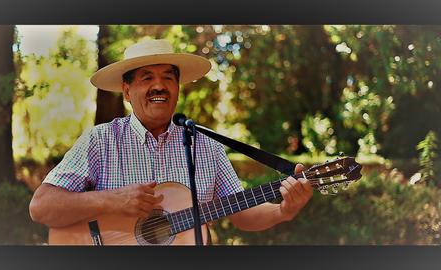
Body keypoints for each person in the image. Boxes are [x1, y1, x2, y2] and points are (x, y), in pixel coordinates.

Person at [29, 39, 313, 243]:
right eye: (146, 77)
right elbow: (41, 207)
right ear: (127, 91)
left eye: (168, 77)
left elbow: (240, 213)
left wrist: (282, 210)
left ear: (177, 88)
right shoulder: (100, 141)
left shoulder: (207, 146)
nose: (159, 85)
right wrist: (110, 200)